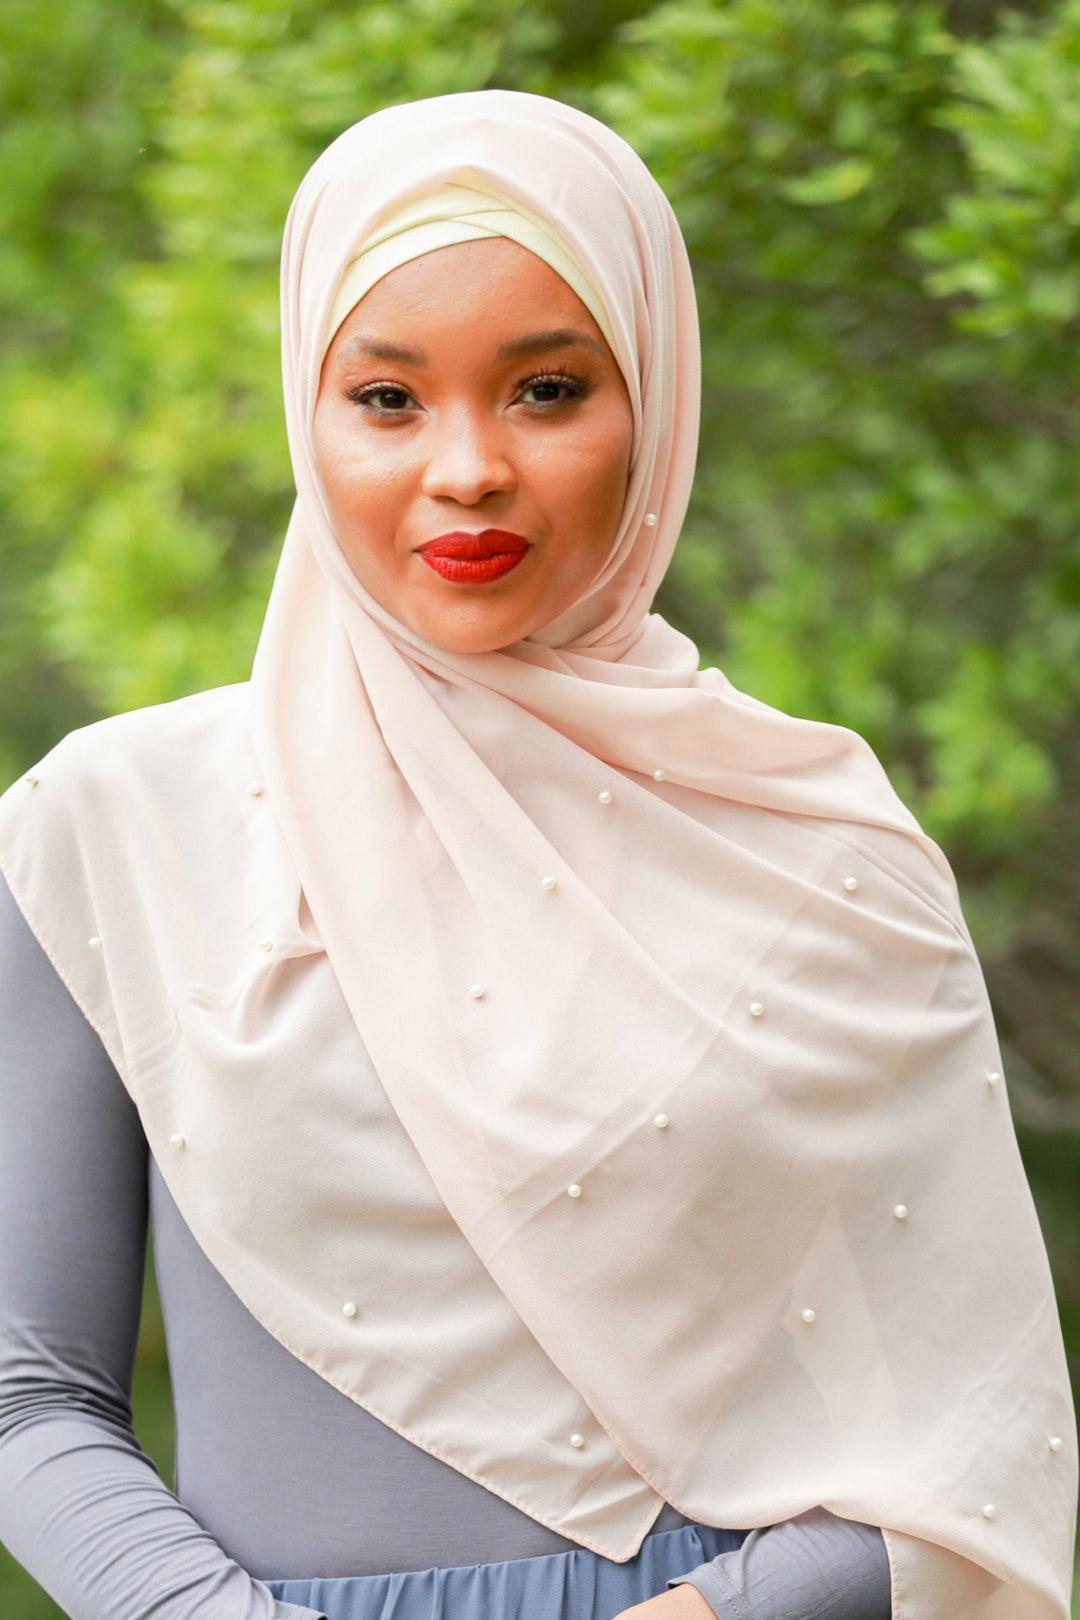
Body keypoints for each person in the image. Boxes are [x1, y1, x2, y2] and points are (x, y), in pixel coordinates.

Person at [0, 89, 1074, 1620]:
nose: (468, 470)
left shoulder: (825, 847)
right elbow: (22, 1390)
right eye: (386, 399)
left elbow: (976, 1442)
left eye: (548, 389)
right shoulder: (112, 828)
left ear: (656, 403)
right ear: (306, 412)